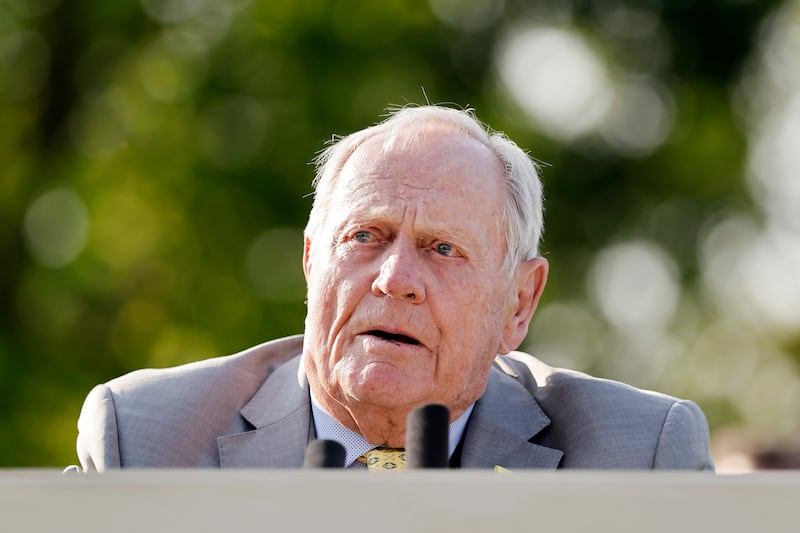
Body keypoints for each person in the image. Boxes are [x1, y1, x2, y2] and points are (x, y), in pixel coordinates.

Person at [71, 105, 714, 471]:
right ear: (310, 259)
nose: (395, 280)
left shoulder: (639, 452)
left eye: (443, 249)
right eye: (366, 237)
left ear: (519, 302)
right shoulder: (146, 438)